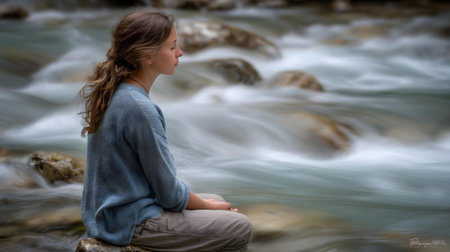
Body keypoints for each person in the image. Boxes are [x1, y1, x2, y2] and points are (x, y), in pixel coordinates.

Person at [79, 10, 253, 252]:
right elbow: (169, 194)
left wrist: (208, 205)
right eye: (172, 47)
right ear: (147, 56)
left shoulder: (116, 93)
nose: (180, 53)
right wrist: (206, 207)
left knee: (218, 201)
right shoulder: (140, 109)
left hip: (109, 216)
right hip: (131, 224)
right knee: (240, 226)